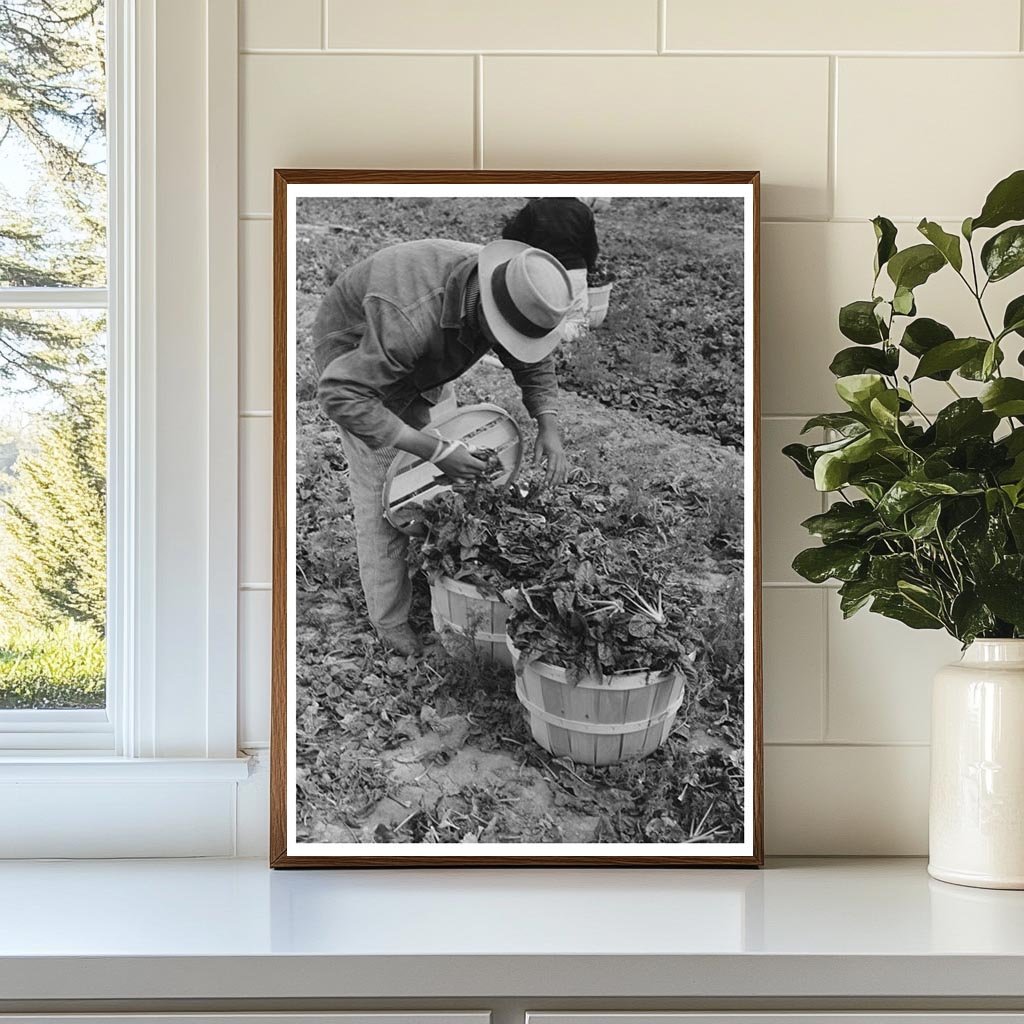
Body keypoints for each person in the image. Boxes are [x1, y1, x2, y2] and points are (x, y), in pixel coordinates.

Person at [313, 237, 573, 657]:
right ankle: (389, 620)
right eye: (505, 336)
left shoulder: (513, 286)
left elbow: (532, 355)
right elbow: (342, 395)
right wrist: (433, 450)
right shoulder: (410, 318)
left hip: (423, 355)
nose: (510, 345)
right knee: (388, 497)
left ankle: (431, 573)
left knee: (440, 481)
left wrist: (549, 423)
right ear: (486, 311)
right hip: (356, 366)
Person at [501, 197, 600, 337]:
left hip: (542, 270)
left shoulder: (534, 208)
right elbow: (591, 248)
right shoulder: (583, 211)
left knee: (540, 316)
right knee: (577, 319)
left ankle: (544, 342)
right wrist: (589, 268)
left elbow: (511, 236)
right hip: (574, 272)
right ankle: (567, 342)